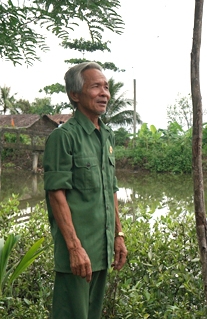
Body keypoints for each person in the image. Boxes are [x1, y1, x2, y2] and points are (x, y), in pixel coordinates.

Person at [43, 62, 127, 319]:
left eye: (106, 87)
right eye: (96, 87)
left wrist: (118, 234)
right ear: (75, 95)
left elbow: (110, 189)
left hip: (101, 249)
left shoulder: (107, 136)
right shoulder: (63, 137)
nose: (104, 93)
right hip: (77, 253)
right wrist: (74, 248)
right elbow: (56, 194)